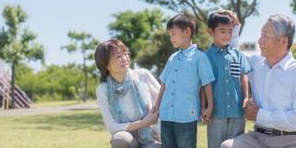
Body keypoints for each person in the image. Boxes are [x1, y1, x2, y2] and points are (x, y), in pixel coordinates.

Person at [220, 14, 296, 148]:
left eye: (265, 35)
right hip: (257, 138)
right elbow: (234, 55)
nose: (260, 40)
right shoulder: (255, 62)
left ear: (283, 41)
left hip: (290, 140)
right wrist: (234, 28)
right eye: (261, 34)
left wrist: (261, 115)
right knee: (227, 146)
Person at [153, 13, 215, 148]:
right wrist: (157, 105)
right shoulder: (172, 58)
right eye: (170, 35)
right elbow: (164, 83)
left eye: (173, 34)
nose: (171, 38)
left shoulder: (199, 57)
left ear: (187, 32)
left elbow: (206, 84)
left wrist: (209, 106)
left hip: (186, 117)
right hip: (166, 116)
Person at [95, 39, 161, 148]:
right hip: (129, 138)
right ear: (106, 64)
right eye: (118, 56)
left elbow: (164, 101)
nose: (125, 59)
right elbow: (112, 126)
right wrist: (144, 122)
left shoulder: (143, 75)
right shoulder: (102, 90)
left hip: (152, 135)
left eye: (125, 54)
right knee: (120, 140)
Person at [202, 12, 252, 148]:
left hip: (237, 112)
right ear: (211, 32)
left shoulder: (238, 55)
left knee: (235, 145)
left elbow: (243, 77)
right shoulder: (205, 57)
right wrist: (204, 107)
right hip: (216, 113)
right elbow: (203, 85)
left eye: (230, 31)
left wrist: (247, 97)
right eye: (222, 31)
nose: (227, 35)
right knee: (215, 145)